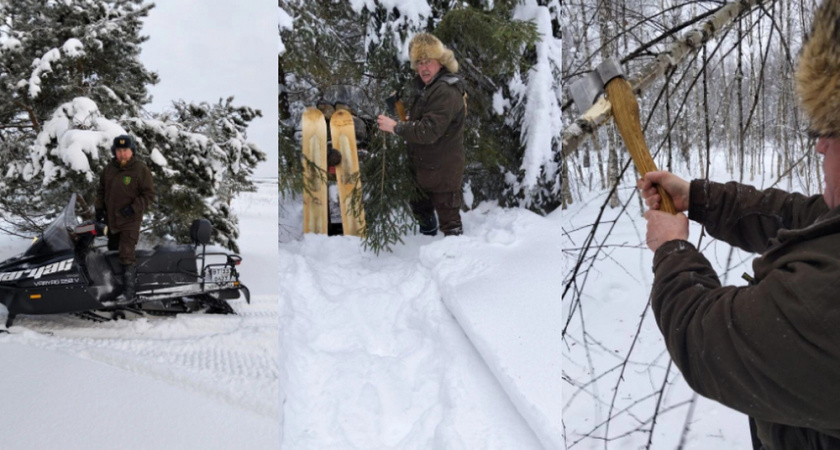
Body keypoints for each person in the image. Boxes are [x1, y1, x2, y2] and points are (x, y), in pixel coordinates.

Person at [638, 1, 840, 448]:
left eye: (833, 130)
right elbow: (803, 218)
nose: (820, 147)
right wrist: (702, 198)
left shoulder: (822, 307)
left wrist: (671, 250)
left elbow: (704, 336)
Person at [377, 33, 467, 236]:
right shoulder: (429, 88)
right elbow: (418, 123)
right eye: (419, 63)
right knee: (423, 216)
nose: (424, 68)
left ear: (440, 62)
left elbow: (428, 131)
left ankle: (456, 262)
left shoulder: (445, 91)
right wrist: (398, 109)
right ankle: (426, 251)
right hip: (425, 168)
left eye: (428, 62)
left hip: (444, 171)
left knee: (450, 227)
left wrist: (395, 127)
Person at [95, 134, 155, 301]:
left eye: (126, 150)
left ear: (132, 151)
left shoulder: (140, 169)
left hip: (130, 220)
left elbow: (149, 195)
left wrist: (133, 208)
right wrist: (99, 209)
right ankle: (115, 287)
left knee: (126, 253)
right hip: (111, 220)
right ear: (115, 152)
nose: (122, 154)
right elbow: (101, 191)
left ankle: (129, 292)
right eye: (119, 150)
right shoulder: (109, 169)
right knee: (113, 252)